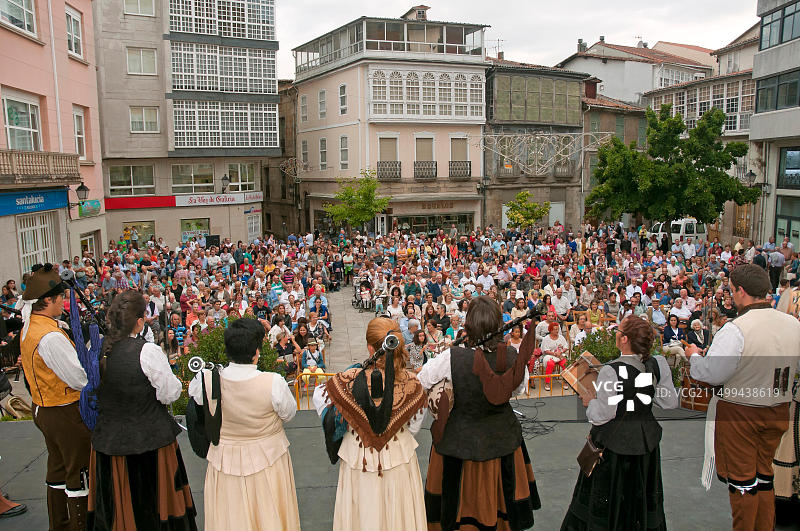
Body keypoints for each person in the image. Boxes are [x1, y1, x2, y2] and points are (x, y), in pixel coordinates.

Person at [689, 264, 800, 530]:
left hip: (741, 413)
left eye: (730, 290)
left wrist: (694, 356)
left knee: (742, 483)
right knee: (764, 476)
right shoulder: (793, 324)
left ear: (740, 291)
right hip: (778, 410)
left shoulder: (736, 328)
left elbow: (713, 373)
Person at [418, 296, 540, 530]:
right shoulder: (512, 356)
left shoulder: (450, 358)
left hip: (459, 441)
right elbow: (520, 388)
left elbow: (423, 380)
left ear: (469, 325)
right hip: (501, 439)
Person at [87, 290, 195, 529]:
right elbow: (170, 393)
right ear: (138, 321)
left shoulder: (98, 348)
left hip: (109, 441)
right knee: (153, 507)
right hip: (150, 441)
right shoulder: (147, 351)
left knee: (120, 507)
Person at [561, 315, 678, 530]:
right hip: (645, 446)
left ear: (624, 339)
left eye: (618, 331)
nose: (615, 333)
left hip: (615, 451)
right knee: (638, 503)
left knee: (608, 509)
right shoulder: (657, 364)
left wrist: (590, 401)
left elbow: (603, 415)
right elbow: (669, 401)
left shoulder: (611, 371)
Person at [313, 317, 427, 530]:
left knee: (362, 513)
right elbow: (414, 427)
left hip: (359, 455)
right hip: (398, 454)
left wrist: (353, 419)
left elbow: (320, 398)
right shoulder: (414, 383)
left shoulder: (347, 379)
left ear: (369, 347)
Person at [188, 318, 300, 530]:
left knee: (230, 517)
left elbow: (195, 399)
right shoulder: (273, 382)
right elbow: (288, 414)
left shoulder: (208, 379)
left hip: (224, 460)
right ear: (256, 351)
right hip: (268, 458)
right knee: (269, 515)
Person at [18, 264, 92, 531]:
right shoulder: (50, 338)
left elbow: (26, 307)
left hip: (43, 408)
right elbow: (79, 379)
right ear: (48, 300)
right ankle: (80, 526)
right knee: (78, 471)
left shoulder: (31, 326)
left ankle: (59, 524)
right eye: (60, 298)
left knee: (58, 469)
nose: (63, 302)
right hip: (65, 411)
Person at [541, 321, 569, 392]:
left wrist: (561, 351)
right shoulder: (546, 338)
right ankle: (547, 383)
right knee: (550, 364)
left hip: (560, 355)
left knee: (565, 363)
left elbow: (566, 347)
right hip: (549, 355)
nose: (557, 331)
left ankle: (565, 381)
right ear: (550, 330)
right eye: (555, 329)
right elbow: (545, 350)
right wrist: (554, 353)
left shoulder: (561, 337)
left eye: (557, 329)